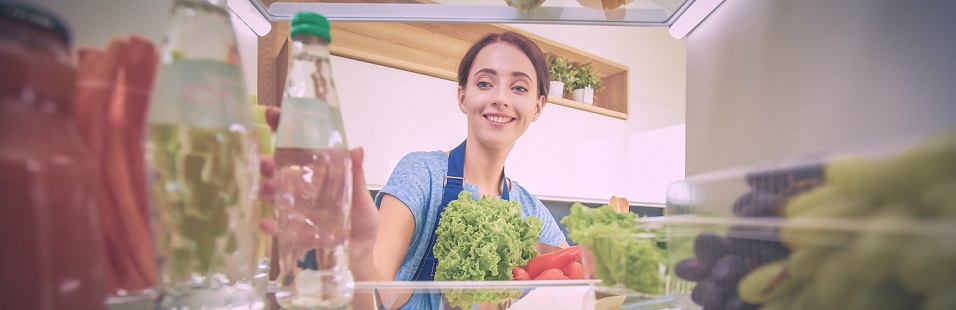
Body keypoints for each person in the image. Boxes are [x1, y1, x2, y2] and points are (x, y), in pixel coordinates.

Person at [259, 31, 568, 309]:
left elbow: (581, 281)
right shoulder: (422, 174)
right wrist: (359, 253)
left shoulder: (531, 211)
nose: (500, 98)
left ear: (537, 106)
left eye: (518, 87)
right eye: (485, 83)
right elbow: (376, 295)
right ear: (463, 96)